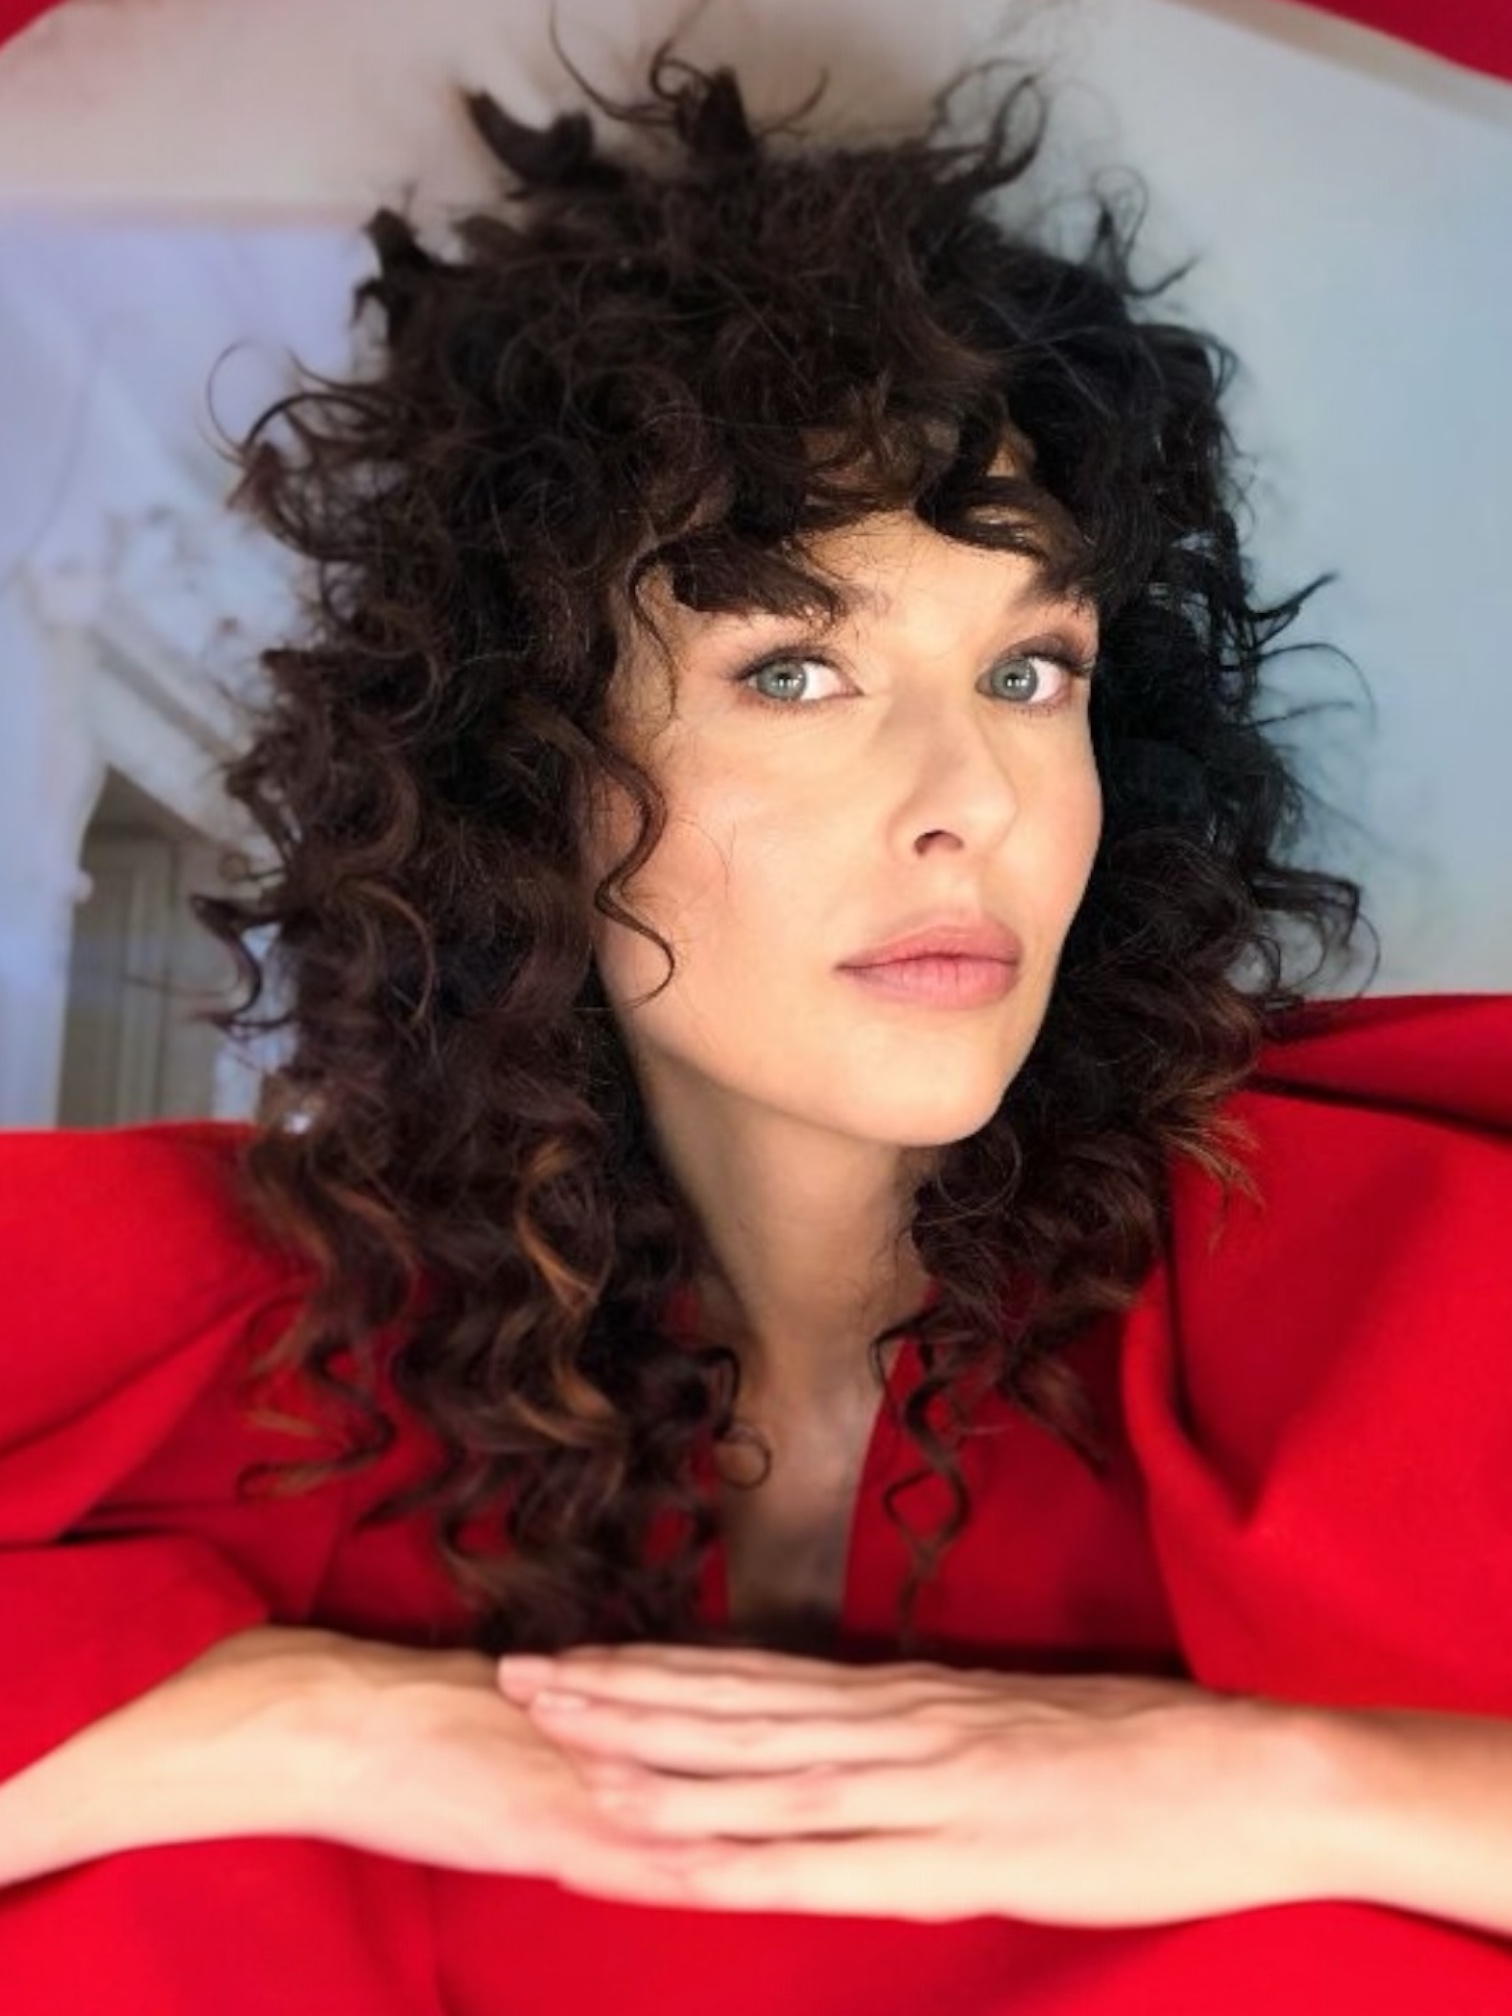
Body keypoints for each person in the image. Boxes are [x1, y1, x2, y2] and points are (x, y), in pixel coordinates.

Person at [1, 50, 1510, 2016]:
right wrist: (304, 1730)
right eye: (795, 671)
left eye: (1030, 669)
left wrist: (1296, 1786)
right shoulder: (233, 1328)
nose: (967, 799)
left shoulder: (1396, 1259)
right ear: (531, 775)